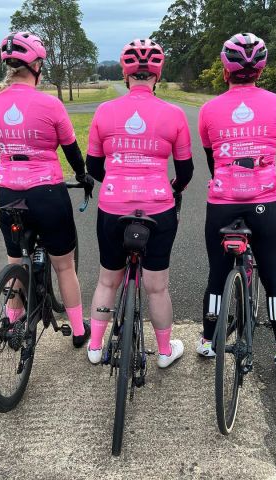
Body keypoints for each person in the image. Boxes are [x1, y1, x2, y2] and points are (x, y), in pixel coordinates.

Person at [85, 39, 194, 368]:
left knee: (107, 279)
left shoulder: (104, 111)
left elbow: (93, 167)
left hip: (113, 207)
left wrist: (120, 183)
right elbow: (185, 171)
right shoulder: (173, 114)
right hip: (158, 207)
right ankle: (164, 352)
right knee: (156, 287)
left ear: (125, 74)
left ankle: (94, 346)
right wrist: (171, 187)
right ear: (157, 76)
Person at [0, 32, 94, 347]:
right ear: (35, 66)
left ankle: (11, 325)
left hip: (7, 192)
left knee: (16, 262)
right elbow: (72, 152)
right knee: (63, 264)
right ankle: (77, 330)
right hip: (46, 192)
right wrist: (83, 175)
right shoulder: (50, 104)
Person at [197, 33, 276, 369]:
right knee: (273, 276)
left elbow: (213, 162)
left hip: (223, 200)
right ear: (261, 70)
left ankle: (206, 341)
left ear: (226, 71)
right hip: (265, 201)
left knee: (217, 272)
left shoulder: (208, 110)